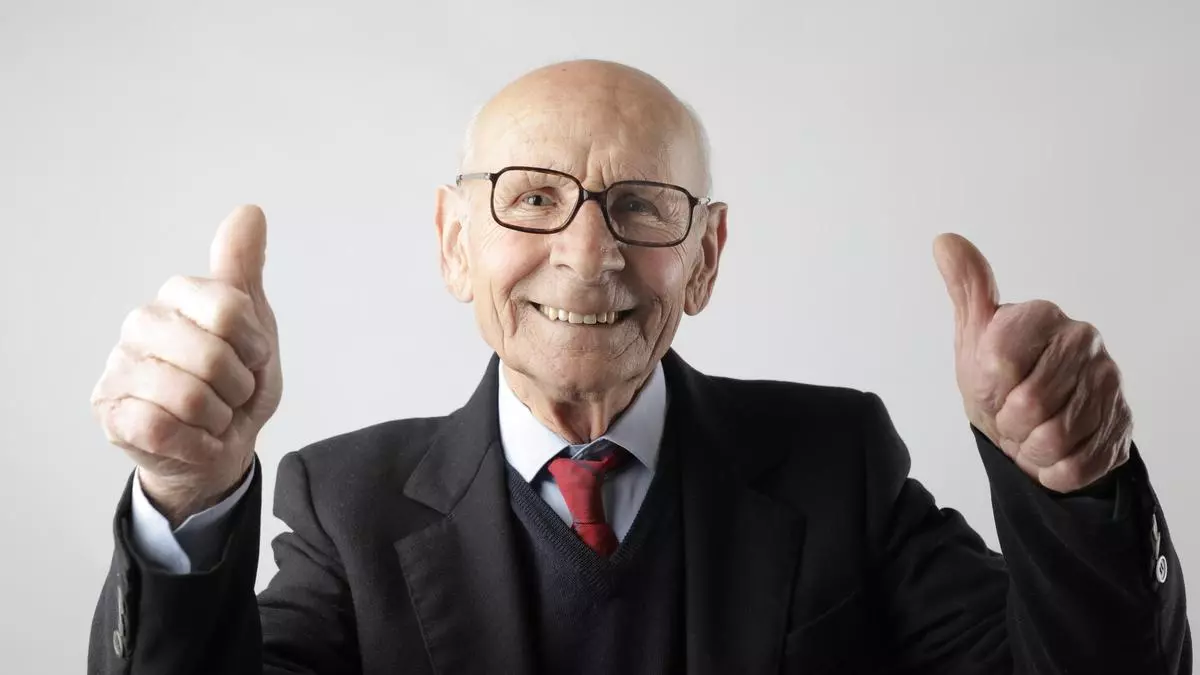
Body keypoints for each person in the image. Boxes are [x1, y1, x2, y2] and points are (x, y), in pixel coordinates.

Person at [87, 60, 1189, 675]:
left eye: (642, 206)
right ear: (454, 244)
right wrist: (185, 499)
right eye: (531, 197)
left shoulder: (835, 463)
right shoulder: (348, 504)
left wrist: (1078, 485)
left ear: (705, 257)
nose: (589, 252)